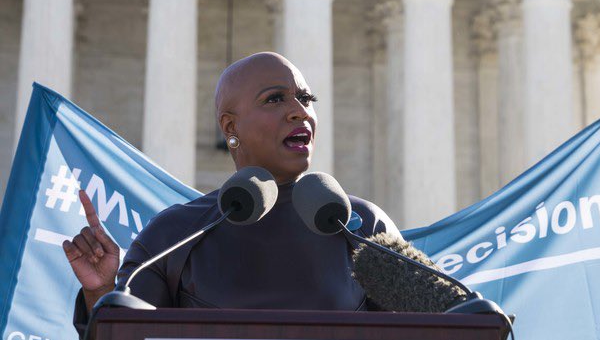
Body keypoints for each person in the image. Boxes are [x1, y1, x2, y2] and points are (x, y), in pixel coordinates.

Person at [64, 52, 400, 328]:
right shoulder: (174, 235)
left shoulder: (362, 225)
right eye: (275, 99)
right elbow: (126, 334)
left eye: (305, 98)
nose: (300, 111)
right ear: (230, 127)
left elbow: (435, 320)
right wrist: (102, 291)